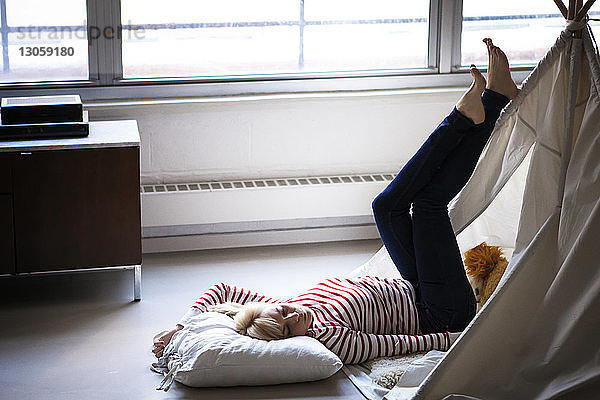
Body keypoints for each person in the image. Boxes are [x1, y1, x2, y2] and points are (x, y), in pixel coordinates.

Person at [152, 38, 519, 365]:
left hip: (415, 284)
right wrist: (460, 339)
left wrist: (181, 329)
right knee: (427, 205)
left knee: (385, 208)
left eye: (281, 311)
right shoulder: (327, 339)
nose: (292, 317)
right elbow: (391, 347)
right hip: (442, 312)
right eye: (286, 329)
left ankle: (472, 112)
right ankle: (488, 103)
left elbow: (221, 290)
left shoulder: (288, 300)